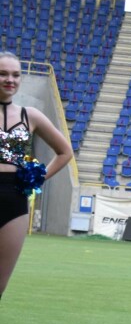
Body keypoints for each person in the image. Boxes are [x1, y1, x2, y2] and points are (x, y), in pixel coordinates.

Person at [0, 51, 75, 299]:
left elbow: (65, 152)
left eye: (15, 74)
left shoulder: (29, 116)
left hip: (14, 200)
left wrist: (37, 178)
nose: (10, 79)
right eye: (3, 74)